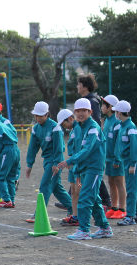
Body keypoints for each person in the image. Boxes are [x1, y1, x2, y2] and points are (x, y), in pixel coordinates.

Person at [57, 98, 112, 240]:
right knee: (93, 199)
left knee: (85, 198)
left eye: (84, 111)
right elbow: (77, 148)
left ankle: (84, 230)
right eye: (78, 111)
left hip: (94, 168)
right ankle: (104, 228)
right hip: (85, 168)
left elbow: (87, 150)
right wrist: (76, 168)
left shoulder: (93, 127)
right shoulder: (79, 128)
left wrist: (70, 161)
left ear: (90, 112)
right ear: (74, 112)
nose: (81, 113)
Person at [25, 102, 72, 223]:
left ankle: (39, 214)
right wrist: (29, 164)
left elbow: (59, 148)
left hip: (56, 161)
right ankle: (73, 207)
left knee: (45, 185)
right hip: (47, 161)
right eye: (36, 115)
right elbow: (32, 148)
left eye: (40, 116)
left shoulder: (55, 127)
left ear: (47, 114)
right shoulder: (35, 129)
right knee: (56, 188)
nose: (38, 118)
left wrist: (56, 164)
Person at [77, 73, 111, 210]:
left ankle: (106, 200)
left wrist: (90, 139)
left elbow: (95, 123)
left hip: (93, 144)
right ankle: (104, 200)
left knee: (92, 170)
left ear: (85, 86)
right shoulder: (87, 100)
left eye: (79, 84)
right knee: (88, 171)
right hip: (87, 142)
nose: (77, 87)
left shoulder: (92, 101)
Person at [112, 101, 137, 226]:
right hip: (128, 160)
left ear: (119, 112)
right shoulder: (123, 126)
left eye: (116, 111)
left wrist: (133, 163)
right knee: (134, 188)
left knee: (131, 188)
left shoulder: (130, 127)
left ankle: (130, 216)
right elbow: (120, 145)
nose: (115, 113)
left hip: (133, 160)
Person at [101, 95, 126, 220]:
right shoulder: (107, 121)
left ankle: (122, 209)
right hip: (108, 158)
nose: (101, 107)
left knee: (119, 182)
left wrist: (118, 158)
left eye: (103, 104)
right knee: (111, 182)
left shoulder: (117, 121)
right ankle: (114, 207)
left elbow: (118, 142)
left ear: (110, 107)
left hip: (117, 158)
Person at [58, 109, 80, 226]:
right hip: (72, 164)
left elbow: (80, 149)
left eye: (64, 123)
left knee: (79, 190)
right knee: (74, 191)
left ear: (71, 118)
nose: (63, 126)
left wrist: (72, 161)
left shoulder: (78, 129)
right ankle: (75, 215)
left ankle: (80, 216)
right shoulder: (72, 130)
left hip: (77, 164)